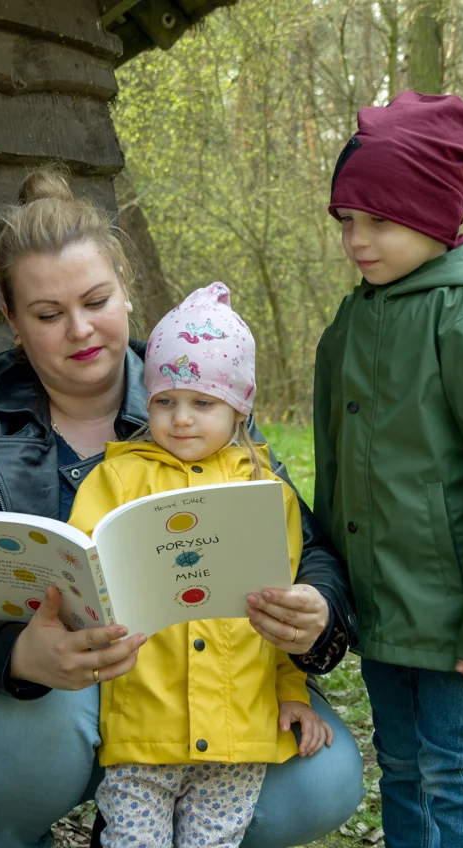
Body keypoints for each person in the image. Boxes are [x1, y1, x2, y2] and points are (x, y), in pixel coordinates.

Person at [0, 165, 363, 848]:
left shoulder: (197, 390)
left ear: (127, 289)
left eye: (97, 300)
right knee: (39, 724)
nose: (80, 330)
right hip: (44, 697)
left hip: (193, 681)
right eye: (48, 315)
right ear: (12, 322)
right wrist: (18, 652)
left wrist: (318, 606)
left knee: (327, 779)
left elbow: (301, 539)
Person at [314, 91, 463, 848]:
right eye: (347, 220)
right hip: (381, 606)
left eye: (378, 220)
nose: (357, 239)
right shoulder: (353, 320)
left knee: (451, 771)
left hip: (450, 615)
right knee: (402, 768)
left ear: (432, 216)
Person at [67, 283, 333, 848]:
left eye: (203, 403)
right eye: (165, 401)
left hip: (236, 733)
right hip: (144, 728)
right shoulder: (115, 480)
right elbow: (81, 578)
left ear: (240, 406)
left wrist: (294, 691)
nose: (181, 419)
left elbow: (278, 607)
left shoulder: (266, 493)